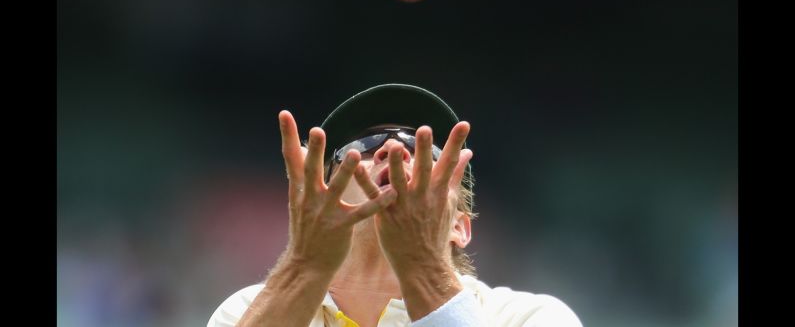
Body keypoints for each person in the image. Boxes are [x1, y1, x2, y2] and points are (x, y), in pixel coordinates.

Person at [207, 83, 582, 327]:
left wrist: (422, 267)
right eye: (362, 148)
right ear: (322, 200)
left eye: (425, 153)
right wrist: (305, 266)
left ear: (459, 226)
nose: (393, 149)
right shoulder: (245, 312)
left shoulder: (529, 318)